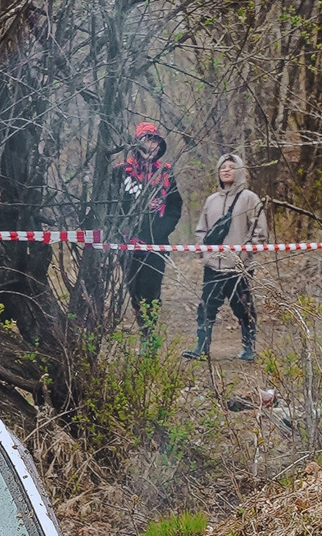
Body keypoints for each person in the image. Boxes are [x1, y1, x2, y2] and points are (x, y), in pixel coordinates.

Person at [189, 152, 269, 361]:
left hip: (239, 265)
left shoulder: (249, 198)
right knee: (207, 306)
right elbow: (202, 230)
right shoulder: (211, 200)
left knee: (243, 306)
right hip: (213, 265)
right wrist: (202, 249)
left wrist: (248, 251)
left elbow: (259, 230)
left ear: (240, 171)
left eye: (231, 167)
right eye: (223, 167)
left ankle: (248, 347)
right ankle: (201, 346)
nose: (226, 170)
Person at [114, 121, 184, 340]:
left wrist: (159, 232)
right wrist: (118, 230)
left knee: (151, 291)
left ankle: (149, 336)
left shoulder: (165, 173)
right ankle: (142, 325)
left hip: (155, 244)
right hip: (126, 242)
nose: (150, 146)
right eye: (146, 140)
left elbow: (175, 207)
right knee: (134, 290)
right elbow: (108, 205)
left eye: (154, 141)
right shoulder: (120, 171)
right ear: (137, 143)